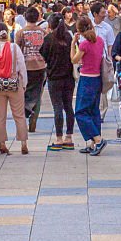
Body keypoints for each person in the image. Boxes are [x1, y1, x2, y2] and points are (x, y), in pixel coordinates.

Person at [0, 22, 28, 154]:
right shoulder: (14, 48)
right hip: (14, 83)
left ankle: (2, 143)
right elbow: (22, 67)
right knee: (19, 115)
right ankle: (23, 143)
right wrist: (24, 84)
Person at [71, 15, 106, 155]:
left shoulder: (84, 44)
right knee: (94, 111)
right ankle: (93, 144)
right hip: (97, 78)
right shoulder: (100, 41)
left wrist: (73, 43)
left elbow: (74, 60)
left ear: (79, 30)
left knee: (80, 112)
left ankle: (98, 140)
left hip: (86, 80)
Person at [40, 13, 75, 151]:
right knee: (68, 107)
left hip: (54, 77)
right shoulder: (69, 37)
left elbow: (44, 55)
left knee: (57, 107)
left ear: (50, 25)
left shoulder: (49, 39)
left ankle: (59, 138)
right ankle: (69, 137)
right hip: (69, 77)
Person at [15, 7, 48, 132]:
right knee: (38, 94)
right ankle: (34, 117)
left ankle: (24, 115)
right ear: (38, 17)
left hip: (25, 67)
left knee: (23, 93)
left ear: (25, 17)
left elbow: (17, 51)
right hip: (40, 66)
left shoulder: (21, 33)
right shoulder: (43, 32)